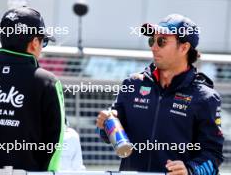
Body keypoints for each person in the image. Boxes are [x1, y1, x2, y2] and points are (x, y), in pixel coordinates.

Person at [96, 14, 224, 175]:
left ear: (184, 47)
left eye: (161, 41)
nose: (153, 47)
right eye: (152, 40)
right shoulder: (132, 84)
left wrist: (190, 170)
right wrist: (105, 125)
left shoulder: (205, 97)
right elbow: (111, 136)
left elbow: (213, 156)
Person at [0, 7, 65, 171]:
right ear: (34, 42)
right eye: (44, 42)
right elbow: (55, 143)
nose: (42, 47)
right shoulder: (47, 82)